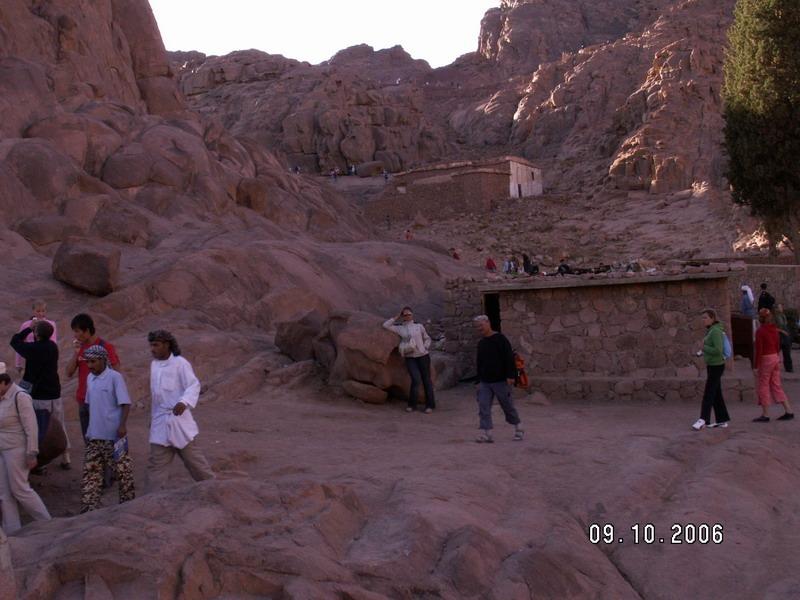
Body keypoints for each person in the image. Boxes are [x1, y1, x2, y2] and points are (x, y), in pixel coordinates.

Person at [146, 330, 214, 492]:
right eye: (151, 345)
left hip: (179, 421)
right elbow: (156, 397)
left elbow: (193, 385)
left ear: (167, 345)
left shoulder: (180, 363)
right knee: (156, 466)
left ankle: (214, 490)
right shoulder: (154, 366)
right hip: (160, 422)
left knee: (196, 464)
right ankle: (150, 499)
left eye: (156, 345)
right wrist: (153, 418)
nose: (152, 349)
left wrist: (184, 402)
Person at [80, 346, 134, 513]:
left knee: (123, 472)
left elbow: (125, 404)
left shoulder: (115, 377)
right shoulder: (90, 378)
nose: (90, 365)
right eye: (88, 362)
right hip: (94, 435)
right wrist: (89, 429)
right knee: (91, 473)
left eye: (93, 361)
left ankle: (128, 508)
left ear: (103, 360)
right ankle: (89, 509)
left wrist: (122, 426)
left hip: (113, 436)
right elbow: (89, 405)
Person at [10, 320, 69, 470]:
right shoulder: (53, 347)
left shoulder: (33, 349)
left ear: (36, 334)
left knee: (39, 428)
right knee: (60, 423)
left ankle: (41, 462)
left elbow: (14, 341)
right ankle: (66, 455)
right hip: (55, 392)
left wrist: (28, 329)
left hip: (39, 395)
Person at [0, 362, 51, 533]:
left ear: (4, 382)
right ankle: (13, 531)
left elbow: (31, 427)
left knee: (20, 489)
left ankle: (47, 524)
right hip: (2, 449)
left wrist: (32, 453)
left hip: (16, 449)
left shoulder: (20, 396)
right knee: (4, 493)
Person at [65, 314, 121, 440]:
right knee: (88, 440)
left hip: (101, 401)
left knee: (103, 440)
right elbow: (68, 373)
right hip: (83, 400)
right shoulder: (81, 348)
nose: (75, 335)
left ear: (87, 331)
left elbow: (117, 374)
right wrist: (76, 353)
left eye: (77, 331)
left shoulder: (105, 347)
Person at [473, 315, 523, 443]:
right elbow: (479, 362)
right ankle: (487, 433)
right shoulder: (481, 343)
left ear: (488, 323)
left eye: (481, 325)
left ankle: (518, 428)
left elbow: (509, 358)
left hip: (501, 380)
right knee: (483, 406)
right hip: (485, 381)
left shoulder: (500, 339)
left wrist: (511, 376)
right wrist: (478, 380)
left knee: (507, 405)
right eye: (477, 326)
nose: (480, 328)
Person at [383, 308, 435, 413]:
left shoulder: (419, 326)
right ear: (403, 316)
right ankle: (412, 405)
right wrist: (396, 317)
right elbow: (385, 325)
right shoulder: (400, 328)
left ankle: (430, 405)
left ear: (412, 314)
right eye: (405, 315)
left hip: (423, 356)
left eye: (409, 314)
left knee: (426, 380)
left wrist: (425, 347)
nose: (407, 316)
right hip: (410, 357)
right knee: (415, 379)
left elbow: (427, 338)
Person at [692, 309, 731, 430]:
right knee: (716, 393)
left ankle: (703, 419)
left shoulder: (715, 331)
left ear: (712, 318)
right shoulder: (711, 330)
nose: (703, 320)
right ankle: (722, 419)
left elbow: (718, 350)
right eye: (702, 318)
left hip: (716, 366)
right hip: (712, 365)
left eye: (705, 318)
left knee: (709, 393)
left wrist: (704, 348)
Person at [752, 309, 794, 422]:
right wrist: (777, 357)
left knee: (763, 385)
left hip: (766, 358)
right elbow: (777, 345)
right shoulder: (774, 330)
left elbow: (759, 350)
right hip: (775, 357)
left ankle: (765, 414)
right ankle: (788, 410)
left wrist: (756, 366)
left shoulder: (760, 331)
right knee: (776, 385)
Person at [15, 300, 57, 374]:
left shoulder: (51, 324)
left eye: (43, 311)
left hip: (45, 357)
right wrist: (18, 364)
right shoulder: (26, 325)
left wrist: (53, 362)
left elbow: (54, 342)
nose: (41, 313)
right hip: (31, 356)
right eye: (38, 311)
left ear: (46, 311)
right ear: (33, 311)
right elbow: (19, 343)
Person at [773, 303, 793, 373]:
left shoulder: (783, 315)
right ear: (776, 309)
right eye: (780, 307)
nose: (781, 308)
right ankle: (773, 366)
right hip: (778, 335)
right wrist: (782, 331)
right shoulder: (774, 317)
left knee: (787, 352)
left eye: (781, 307)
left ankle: (789, 368)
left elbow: (785, 325)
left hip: (785, 335)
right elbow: (773, 327)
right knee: (775, 353)